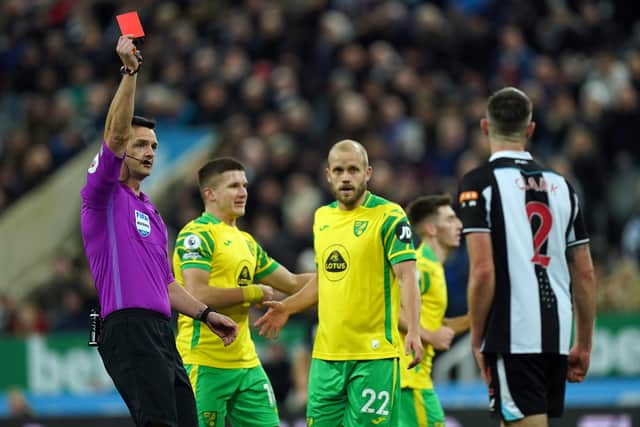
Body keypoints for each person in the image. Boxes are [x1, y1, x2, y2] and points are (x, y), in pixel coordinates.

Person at [80, 35, 238, 427]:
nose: (150, 151)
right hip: (127, 326)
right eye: (141, 145)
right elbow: (114, 137)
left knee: (186, 421)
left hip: (161, 330)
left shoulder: (150, 211)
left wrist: (205, 314)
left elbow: (165, 283)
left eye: (154, 145)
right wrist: (130, 72)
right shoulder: (102, 195)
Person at [255, 139, 424, 427]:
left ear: (367, 173)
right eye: (339, 170)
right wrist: (288, 308)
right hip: (325, 358)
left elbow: (407, 275)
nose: (346, 177)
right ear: (328, 175)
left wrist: (414, 330)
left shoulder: (390, 215)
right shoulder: (322, 218)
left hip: (373, 357)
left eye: (353, 170)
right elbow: (325, 280)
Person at [457, 87, 596, 427]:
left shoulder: (479, 183)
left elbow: (483, 270)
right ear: (530, 129)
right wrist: (584, 344)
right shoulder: (562, 185)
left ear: (485, 127)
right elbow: (585, 272)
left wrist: (477, 338)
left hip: (511, 333)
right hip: (556, 333)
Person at [172, 157, 314, 427]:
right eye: (233, 186)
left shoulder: (247, 242)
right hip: (204, 364)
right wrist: (252, 293)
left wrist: (345, 276)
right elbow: (196, 294)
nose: (243, 192)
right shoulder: (197, 234)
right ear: (209, 194)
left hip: (246, 364)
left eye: (245, 185)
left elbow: (294, 283)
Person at [399, 194, 470, 427]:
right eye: (450, 219)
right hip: (407, 378)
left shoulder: (434, 268)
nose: (459, 224)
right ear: (430, 228)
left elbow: (438, 325)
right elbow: (388, 311)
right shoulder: (419, 267)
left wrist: (481, 317)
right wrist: (429, 336)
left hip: (415, 377)